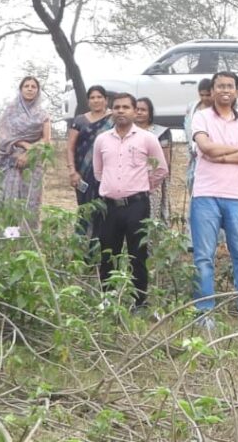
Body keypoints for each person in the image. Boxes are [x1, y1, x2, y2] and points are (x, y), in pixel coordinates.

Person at [189, 71, 238, 330]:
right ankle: (204, 314)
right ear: (212, 91)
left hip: (236, 197)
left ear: (237, 92)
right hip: (205, 195)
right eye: (220, 86)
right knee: (203, 258)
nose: (225, 90)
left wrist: (220, 156)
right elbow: (206, 147)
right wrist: (237, 150)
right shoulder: (201, 117)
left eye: (230, 86)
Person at [92, 93, 168, 309]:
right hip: (109, 206)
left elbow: (161, 169)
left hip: (137, 205)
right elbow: (98, 172)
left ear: (134, 111)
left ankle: (139, 302)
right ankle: (108, 301)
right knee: (108, 253)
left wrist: (142, 186)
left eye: (126, 107)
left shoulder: (147, 139)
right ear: (111, 111)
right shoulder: (102, 139)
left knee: (138, 254)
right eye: (116, 107)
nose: (121, 111)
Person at [0, 76, 52, 231]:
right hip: (10, 159)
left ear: (38, 91)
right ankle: (5, 235)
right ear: (20, 89)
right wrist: (23, 144)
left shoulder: (43, 115)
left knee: (30, 199)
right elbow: (4, 136)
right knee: (8, 199)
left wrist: (29, 152)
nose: (30, 89)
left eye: (34, 86)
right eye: (26, 86)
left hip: (33, 161)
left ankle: (27, 236)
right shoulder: (10, 111)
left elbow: (46, 140)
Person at [66, 85, 113, 238]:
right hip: (83, 173)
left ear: (106, 100)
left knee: (104, 210)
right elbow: (70, 148)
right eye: (92, 98)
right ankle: (80, 245)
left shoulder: (113, 119)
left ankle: (99, 246)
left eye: (99, 97)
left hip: (107, 174)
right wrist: (72, 171)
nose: (96, 100)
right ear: (88, 101)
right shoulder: (80, 120)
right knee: (84, 209)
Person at [135, 97, 172, 224]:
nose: (139, 112)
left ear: (150, 113)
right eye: (137, 109)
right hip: (131, 179)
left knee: (152, 215)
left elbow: (165, 159)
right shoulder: (127, 131)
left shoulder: (160, 132)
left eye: (143, 110)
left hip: (153, 180)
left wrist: (153, 178)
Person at [184, 78, 213, 194]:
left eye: (208, 95)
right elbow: (187, 129)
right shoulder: (192, 107)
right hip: (193, 154)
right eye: (202, 95)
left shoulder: (217, 109)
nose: (205, 98)